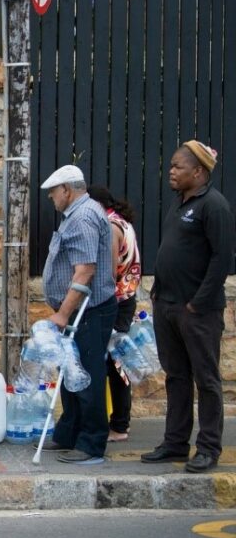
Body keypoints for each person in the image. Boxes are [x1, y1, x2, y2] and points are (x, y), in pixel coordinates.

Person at [141, 141, 233, 473]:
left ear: (199, 171)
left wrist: (198, 303)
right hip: (167, 306)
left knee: (206, 380)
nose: (172, 172)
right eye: (171, 166)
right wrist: (158, 294)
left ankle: (208, 448)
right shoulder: (180, 204)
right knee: (176, 377)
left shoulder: (214, 206)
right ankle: (175, 443)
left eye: (178, 167)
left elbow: (222, 259)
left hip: (197, 312)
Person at [38, 165, 118, 465]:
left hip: (89, 311)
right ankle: (68, 433)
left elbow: (85, 271)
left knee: (86, 376)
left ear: (67, 190)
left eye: (53, 193)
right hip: (82, 310)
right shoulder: (82, 213)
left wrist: (62, 314)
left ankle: (91, 443)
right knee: (70, 373)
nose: (51, 198)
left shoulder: (83, 217)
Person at [88, 185, 142, 443]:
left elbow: (107, 271)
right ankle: (119, 422)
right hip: (126, 298)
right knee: (116, 362)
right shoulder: (123, 222)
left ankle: (119, 426)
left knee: (114, 365)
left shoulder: (110, 226)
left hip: (116, 301)